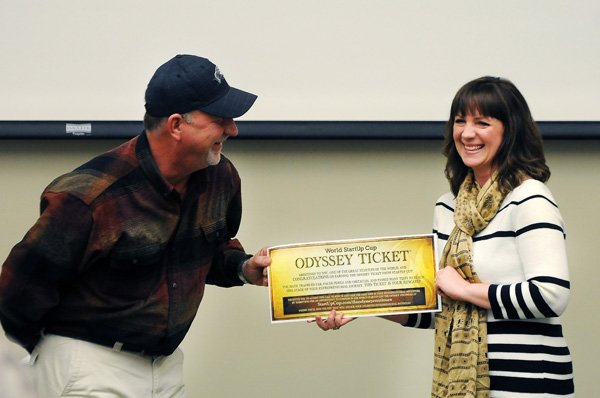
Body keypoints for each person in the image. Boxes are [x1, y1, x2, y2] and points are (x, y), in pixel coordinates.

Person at [0, 54, 271, 397]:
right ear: (176, 125)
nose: (233, 128)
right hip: (89, 368)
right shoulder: (90, 197)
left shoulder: (221, 176)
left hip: (166, 368)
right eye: (220, 118)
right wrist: (56, 356)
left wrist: (244, 268)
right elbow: (18, 292)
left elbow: (211, 251)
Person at [315, 76, 574, 397]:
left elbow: (550, 296)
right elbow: (437, 309)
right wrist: (362, 304)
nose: (467, 133)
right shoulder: (447, 207)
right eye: (460, 121)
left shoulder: (530, 198)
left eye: (482, 122)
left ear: (510, 131)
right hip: (461, 381)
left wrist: (466, 289)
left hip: (530, 382)